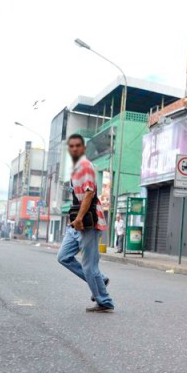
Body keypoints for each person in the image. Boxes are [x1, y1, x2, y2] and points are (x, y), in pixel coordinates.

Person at [57, 134, 114, 313]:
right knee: (63, 257)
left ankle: (104, 301)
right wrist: (75, 220)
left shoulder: (86, 166)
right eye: (71, 146)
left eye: (78, 146)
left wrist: (80, 219)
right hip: (76, 222)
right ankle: (100, 280)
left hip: (88, 222)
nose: (74, 149)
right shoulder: (75, 169)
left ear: (83, 149)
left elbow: (89, 193)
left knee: (89, 266)